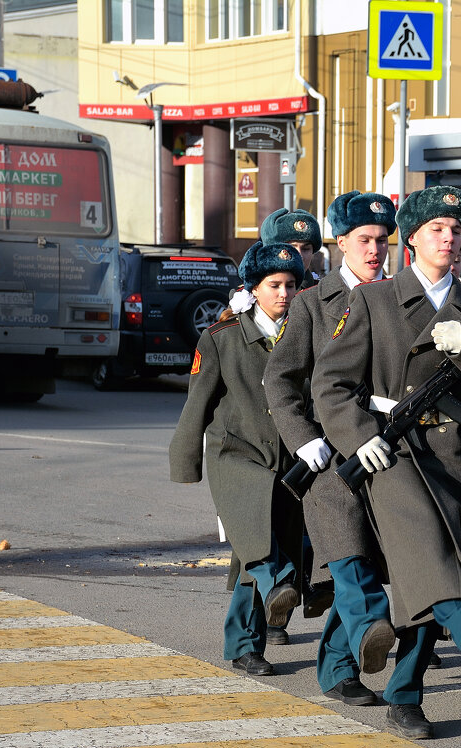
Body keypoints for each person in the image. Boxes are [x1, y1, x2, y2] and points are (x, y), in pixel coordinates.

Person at [311, 186, 461, 740]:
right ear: (412, 239)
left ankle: (405, 696)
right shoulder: (375, 301)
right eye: (436, 229)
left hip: (457, 457)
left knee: (424, 575)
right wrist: (359, 437)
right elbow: (331, 385)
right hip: (394, 453)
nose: (448, 239)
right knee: (428, 548)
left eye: (456, 230)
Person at [264, 195, 398, 707]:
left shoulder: (392, 299)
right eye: (363, 240)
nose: (373, 250)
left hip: (384, 449)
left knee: (375, 560)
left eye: (381, 241)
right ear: (339, 243)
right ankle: (352, 655)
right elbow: (279, 380)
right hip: (327, 458)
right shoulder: (311, 304)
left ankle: (339, 664)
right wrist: (304, 438)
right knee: (349, 557)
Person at [169, 241, 307, 677]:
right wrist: (186, 461)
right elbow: (198, 404)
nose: (284, 293)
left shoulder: (305, 335)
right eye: (274, 285)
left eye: (290, 285)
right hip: (236, 457)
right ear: (253, 287)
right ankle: (281, 582)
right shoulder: (220, 339)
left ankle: (246, 647)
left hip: (288, 462)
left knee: (251, 552)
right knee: (260, 546)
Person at [255, 208, 330, 644]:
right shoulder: (252, 303)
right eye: (289, 249)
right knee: (267, 529)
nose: (297, 258)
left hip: (313, 429)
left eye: (306, 250)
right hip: (268, 436)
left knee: (312, 527)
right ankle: (269, 618)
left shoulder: (320, 300)